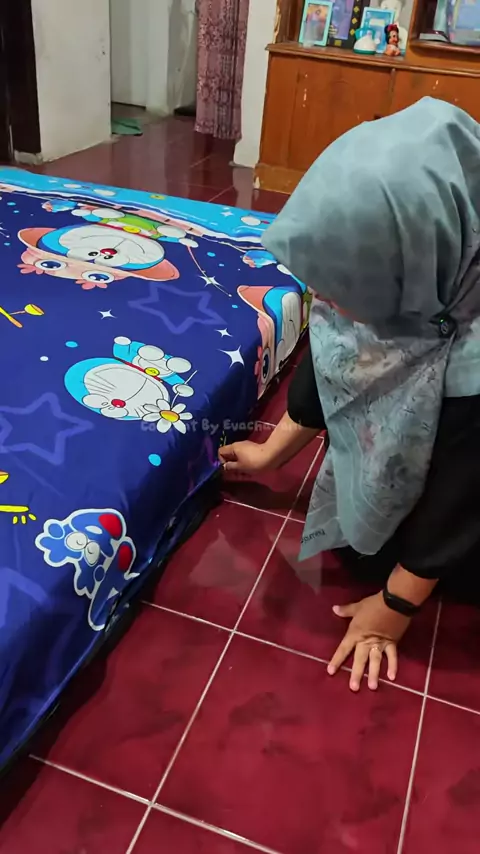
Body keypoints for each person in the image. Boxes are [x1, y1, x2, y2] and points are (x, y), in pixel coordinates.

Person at [219, 97, 480, 693]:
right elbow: (337, 364)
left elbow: (465, 494)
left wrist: (393, 609)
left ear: (420, 256)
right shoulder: (415, 271)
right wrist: (271, 454)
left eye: (346, 289)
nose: (330, 304)